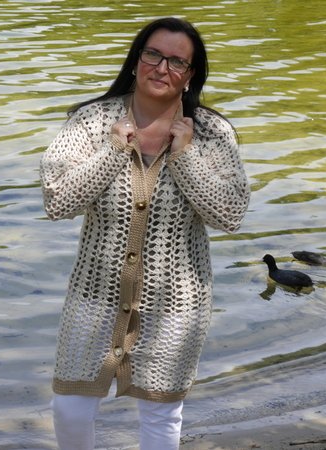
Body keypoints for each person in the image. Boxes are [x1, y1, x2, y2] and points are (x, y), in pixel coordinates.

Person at [40, 17, 250, 450]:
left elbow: (230, 213)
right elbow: (58, 201)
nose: (162, 68)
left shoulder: (211, 133)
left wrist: (186, 156)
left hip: (176, 304)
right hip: (94, 296)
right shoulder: (92, 122)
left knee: (160, 412)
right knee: (70, 406)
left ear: (190, 74)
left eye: (177, 61)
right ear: (137, 59)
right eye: (153, 54)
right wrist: (113, 151)